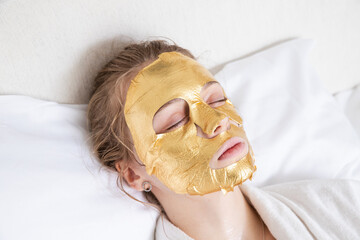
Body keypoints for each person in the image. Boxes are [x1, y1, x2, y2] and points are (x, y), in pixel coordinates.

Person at [87, 40, 360, 240]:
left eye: (216, 99)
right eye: (175, 121)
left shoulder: (346, 203)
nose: (218, 121)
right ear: (133, 174)